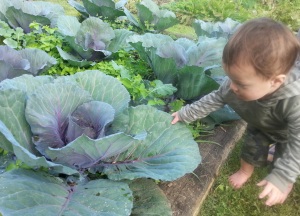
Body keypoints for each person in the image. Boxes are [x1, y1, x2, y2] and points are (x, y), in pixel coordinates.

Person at [171, 17, 300, 206]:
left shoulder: (293, 102)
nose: (232, 87)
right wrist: (185, 113)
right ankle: (245, 171)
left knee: (284, 155)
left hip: (289, 133)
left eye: (240, 83)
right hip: (259, 124)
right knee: (251, 147)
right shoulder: (234, 86)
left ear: (275, 82)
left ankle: (283, 183)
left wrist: (282, 176)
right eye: (230, 78)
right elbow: (214, 99)